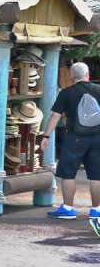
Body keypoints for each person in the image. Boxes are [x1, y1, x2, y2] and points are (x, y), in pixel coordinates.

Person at [40, 61, 100, 233]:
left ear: (72, 77)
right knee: (96, 175)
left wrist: (46, 136)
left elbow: (55, 116)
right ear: (88, 75)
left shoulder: (66, 93)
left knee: (68, 173)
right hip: (98, 138)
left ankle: (67, 208)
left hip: (75, 138)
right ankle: (96, 210)